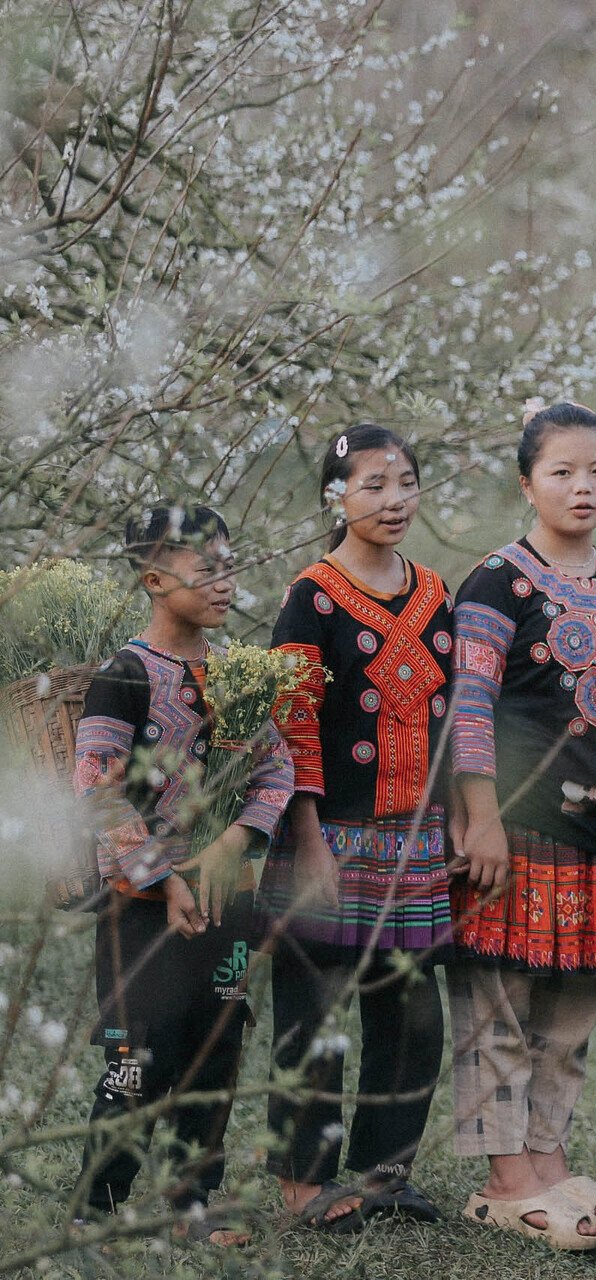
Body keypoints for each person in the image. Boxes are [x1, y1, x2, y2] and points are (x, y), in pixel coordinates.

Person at [446, 400, 596, 1251]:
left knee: (573, 1003)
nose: (583, 486)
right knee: (498, 998)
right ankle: (507, 1175)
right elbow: (469, 707)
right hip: (515, 826)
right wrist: (481, 819)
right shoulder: (497, 581)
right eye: (562, 471)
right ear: (527, 482)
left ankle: (550, 1153)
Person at [71, 505, 294, 1247]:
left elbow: (276, 770)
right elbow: (99, 787)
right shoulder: (125, 676)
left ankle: (195, 1200)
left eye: (233, 565)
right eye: (209, 570)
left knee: (217, 1043)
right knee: (140, 1048)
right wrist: (163, 879)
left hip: (226, 898)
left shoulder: (238, 676)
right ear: (154, 578)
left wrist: (235, 842)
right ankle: (97, 1205)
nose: (227, 583)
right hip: (138, 904)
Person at [260, 424, 454, 1230]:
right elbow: (291, 723)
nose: (393, 499)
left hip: (416, 841)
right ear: (335, 499)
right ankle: (305, 1187)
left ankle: (383, 1175)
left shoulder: (437, 592)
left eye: (404, 481)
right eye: (371, 484)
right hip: (328, 835)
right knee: (314, 1012)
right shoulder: (312, 594)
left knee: (411, 1013)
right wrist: (306, 841)